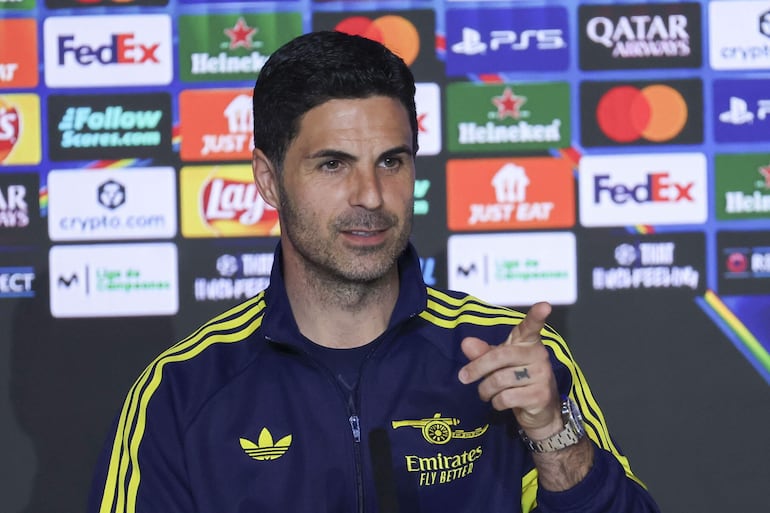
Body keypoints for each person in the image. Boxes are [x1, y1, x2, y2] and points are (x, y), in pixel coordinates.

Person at [88, 31, 660, 513]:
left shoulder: (508, 356)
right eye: (333, 164)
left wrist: (553, 435)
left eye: (391, 161)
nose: (371, 194)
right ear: (267, 179)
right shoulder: (181, 391)